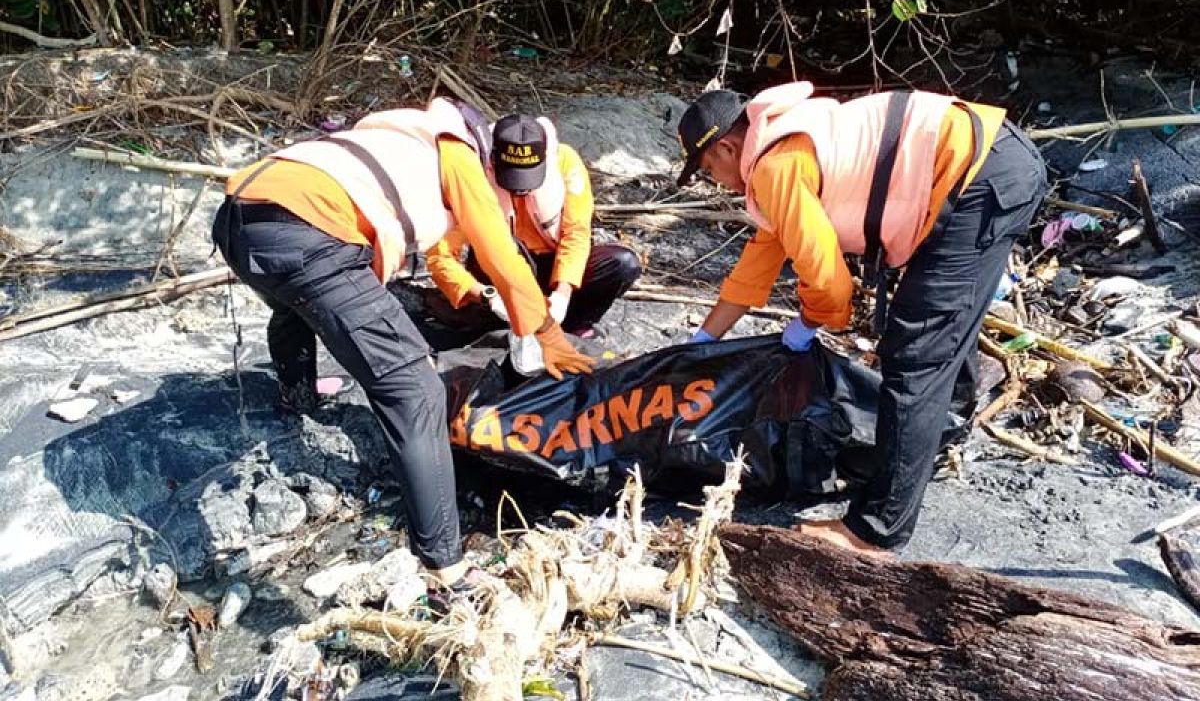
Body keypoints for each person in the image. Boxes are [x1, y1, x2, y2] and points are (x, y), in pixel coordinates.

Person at [211, 98, 594, 590]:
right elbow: (500, 253)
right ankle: (446, 568)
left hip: (238, 221)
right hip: (307, 234)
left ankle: (296, 396)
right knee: (416, 392)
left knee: (292, 305)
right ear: (482, 147)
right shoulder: (456, 153)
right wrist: (545, 332)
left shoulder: (393, 136)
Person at [676, 81, 1047, 555]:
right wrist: (704, 339)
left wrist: (810, 322)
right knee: (942, 322)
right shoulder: (780, 145)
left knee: (916, 351)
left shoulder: (775, 165)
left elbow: (830, 283)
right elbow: (759, 262)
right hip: (990, 160)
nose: (718, 181)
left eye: (709, 170)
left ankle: (877, 527)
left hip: (978, 174)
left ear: (728, 147)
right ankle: (942, 435)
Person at [427, 113, 641, 340]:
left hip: (552, 265)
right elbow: (440, 256)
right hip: (502, 269)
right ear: (493, 160)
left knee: (622, 263)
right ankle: (503, 324)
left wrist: (563, 292)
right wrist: (487, 295)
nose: (521, 190)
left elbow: (576, 233)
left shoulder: (565, 162)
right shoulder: (470, 172)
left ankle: (573, 325)